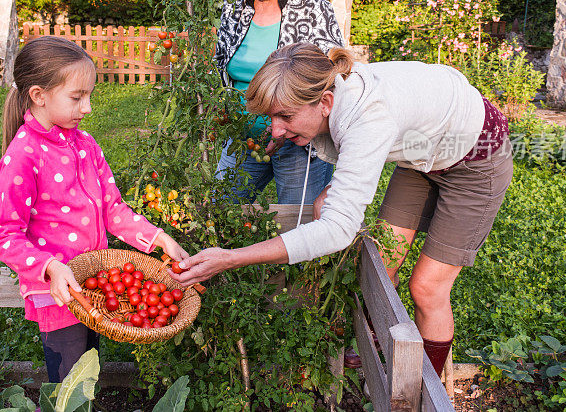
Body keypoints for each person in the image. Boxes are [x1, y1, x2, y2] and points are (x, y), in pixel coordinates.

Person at [173, 42, 514, 376]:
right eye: (270, 117)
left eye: (285, 116)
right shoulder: (335, 91)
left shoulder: (369, 117)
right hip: (422, 151)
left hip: (476, 160)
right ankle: (377, 341)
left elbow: (338, 230)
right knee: (382, 259)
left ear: (325, 102)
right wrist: (331, 187)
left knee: (426, 287)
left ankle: (422, 389)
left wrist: (231, 257)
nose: (275, 129)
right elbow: (359, 152)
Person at [0, 36, 188, 382]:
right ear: (39, 95)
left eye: (90, 95)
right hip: (58, 292)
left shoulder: (86, 145)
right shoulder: (24, 155)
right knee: (69, 384)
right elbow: (4, 235)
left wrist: (159, 239)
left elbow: (113, 210)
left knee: (88, 373)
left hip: (93, 286)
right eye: (77, 97)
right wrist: (49, 266)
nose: (88, 107)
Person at [214, 0, 344, 204]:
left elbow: (331, 82)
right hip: (242, 140)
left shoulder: (313, 9)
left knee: (299, 229)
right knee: (218, 212)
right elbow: (223, 67)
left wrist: (285, 129)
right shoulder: (234, 6)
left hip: (299, 145)